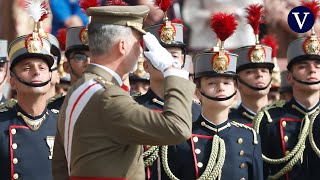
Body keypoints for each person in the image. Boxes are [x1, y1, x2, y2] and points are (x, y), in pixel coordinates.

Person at [52, 5, 195, 179]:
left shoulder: (81, 87)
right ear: (122, 46)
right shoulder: (107, 96)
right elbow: (177, 128)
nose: (141, 51)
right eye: (137, 43)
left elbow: (60, 166)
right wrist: (172, 70)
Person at [161, 13, 263, 179]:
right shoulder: (181, 137)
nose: (221, 88)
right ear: (197, 92)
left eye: (227, 83)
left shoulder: (248, 137)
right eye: (212, 83)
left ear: (236, 91)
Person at [253, 6, 320, 178]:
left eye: (318, 66)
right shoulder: (270, 119)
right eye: (303, 66)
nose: (312, 71)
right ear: (289, 77)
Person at [134, 11, 201, 179]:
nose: (166, 60)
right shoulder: (134, 107)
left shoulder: (198, 110)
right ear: (146, 65)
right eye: (160, 54)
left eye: (174, 56)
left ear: (183, 62)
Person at [0, 5, 58, 178]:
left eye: (42, 67)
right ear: (12, 80)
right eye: (27, 67)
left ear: (51, 76)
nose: (36, 71)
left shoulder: (63, 124)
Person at [229, 4, 274, 126]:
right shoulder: (229, 123)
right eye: (250, 72)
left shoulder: (282, 119)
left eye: (264, 71)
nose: (259, 75)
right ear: (237, 82)